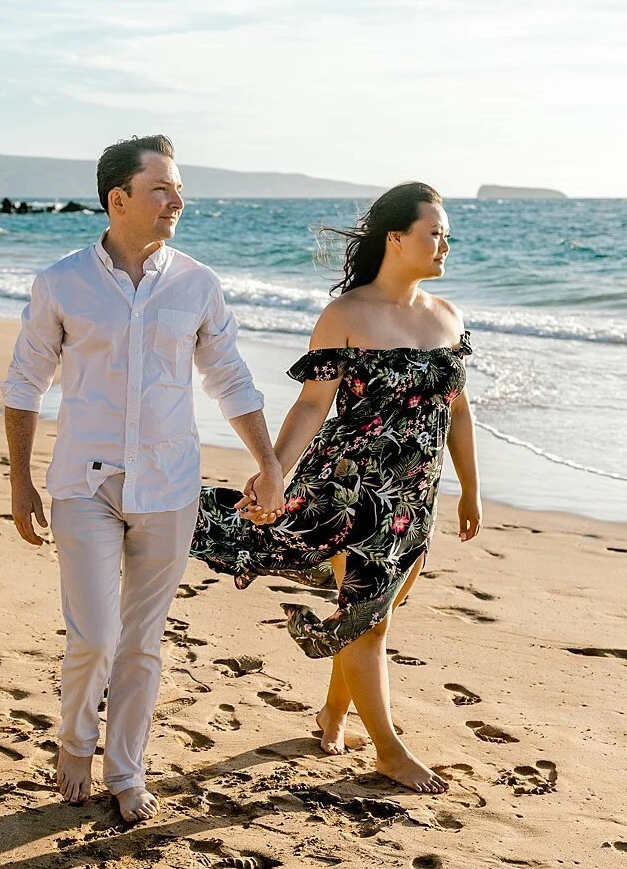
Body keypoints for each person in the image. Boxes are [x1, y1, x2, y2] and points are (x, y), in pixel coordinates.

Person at [0, 134, 284, 822]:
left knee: (142, 641)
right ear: (118, 199)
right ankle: (74, 741)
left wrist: (269, 464)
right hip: (83, 484)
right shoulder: (60, 282)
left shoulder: (198, 284)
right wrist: (20, 481)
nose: (176, 201)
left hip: (169, 485)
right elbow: (24, 383)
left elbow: (230, 379)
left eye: (178, 188)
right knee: (95, 634)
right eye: (160, 189)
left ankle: (126, 769)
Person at [190, 181, 483, 794]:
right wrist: (275, 470)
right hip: (349, 494)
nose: (446, 245)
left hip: (414, 498)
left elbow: (457, 411)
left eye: (448, 235)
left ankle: (333, 714)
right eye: (436, 233)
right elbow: (311, 406)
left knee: (375, 613)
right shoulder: (346, 315)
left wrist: (470, 490)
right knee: (369, 622)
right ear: (396, 239)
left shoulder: (448, 316)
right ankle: (389, 751)